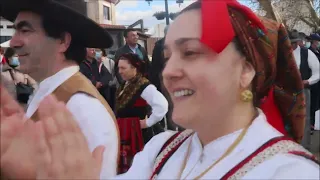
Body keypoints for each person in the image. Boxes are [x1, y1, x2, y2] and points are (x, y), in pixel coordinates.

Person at [8, 0, 320, 179]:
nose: (168, 72)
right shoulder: (163, 149)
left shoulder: (291, 173)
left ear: (246, 70)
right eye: (168, 56)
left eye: (192, 52)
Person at [0, 0, 119, 179]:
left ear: (63, 41)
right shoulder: (47, 92)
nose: (13, 42)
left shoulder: (83, 108)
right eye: (15, 30)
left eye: (24, 30)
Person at [116, 53, 168, 173]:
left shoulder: (144, 86)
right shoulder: (125, 84)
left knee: (141, 167)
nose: (120, 71)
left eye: (123, 68)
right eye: (119, 68)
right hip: (126, 132)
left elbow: (162, 105)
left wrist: (148, 122)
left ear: (134, 68)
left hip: (139, 135)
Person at [289, 30, 320, 148]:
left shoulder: (307, 53)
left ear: (297, 42)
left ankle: (304, 147)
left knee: (304, 119)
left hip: (304, 91)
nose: (291, 45)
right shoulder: (283, 53)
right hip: (287, 92)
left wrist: (308, 81)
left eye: (293, 43)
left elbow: (318, 73)